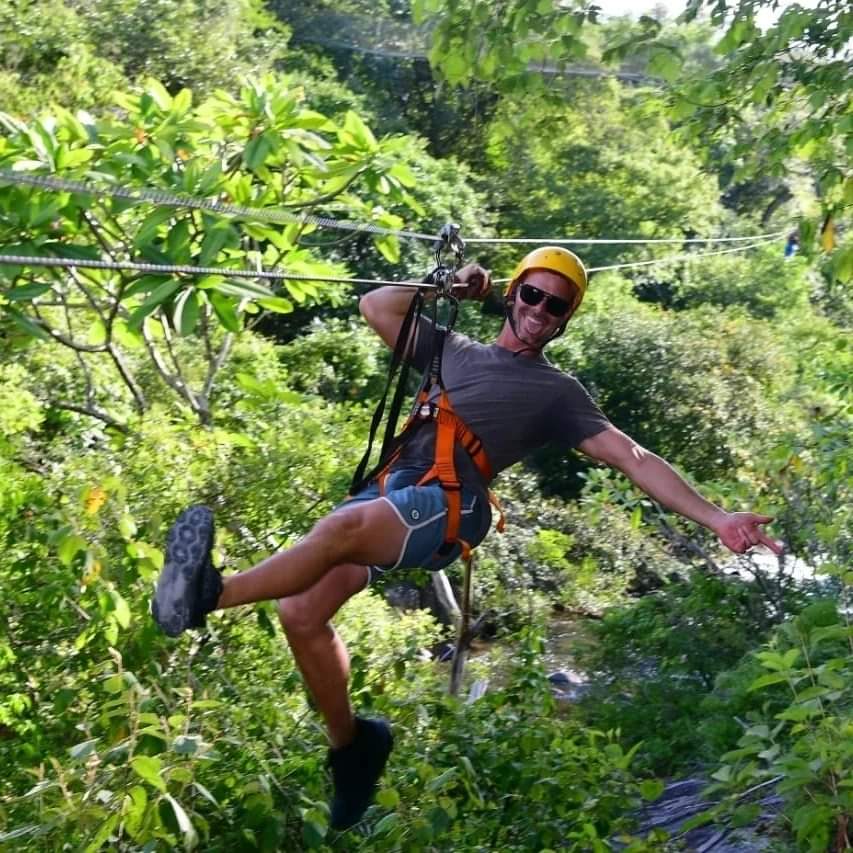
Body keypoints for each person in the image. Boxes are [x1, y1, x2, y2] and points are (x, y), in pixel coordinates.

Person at [152, 246, 782, 830]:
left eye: (555, 306)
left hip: (452, 505)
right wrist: (449, 286)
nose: (539, 312)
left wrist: (718, 519)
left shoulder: (558, 393)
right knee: (300, 612)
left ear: (565, 320)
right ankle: (353, 747)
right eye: (532, 295)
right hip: (395, 487)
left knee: (339, 528)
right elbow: (376, 305)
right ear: (513, 294)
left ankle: (207, 594)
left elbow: (632, 456)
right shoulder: (449, 347)